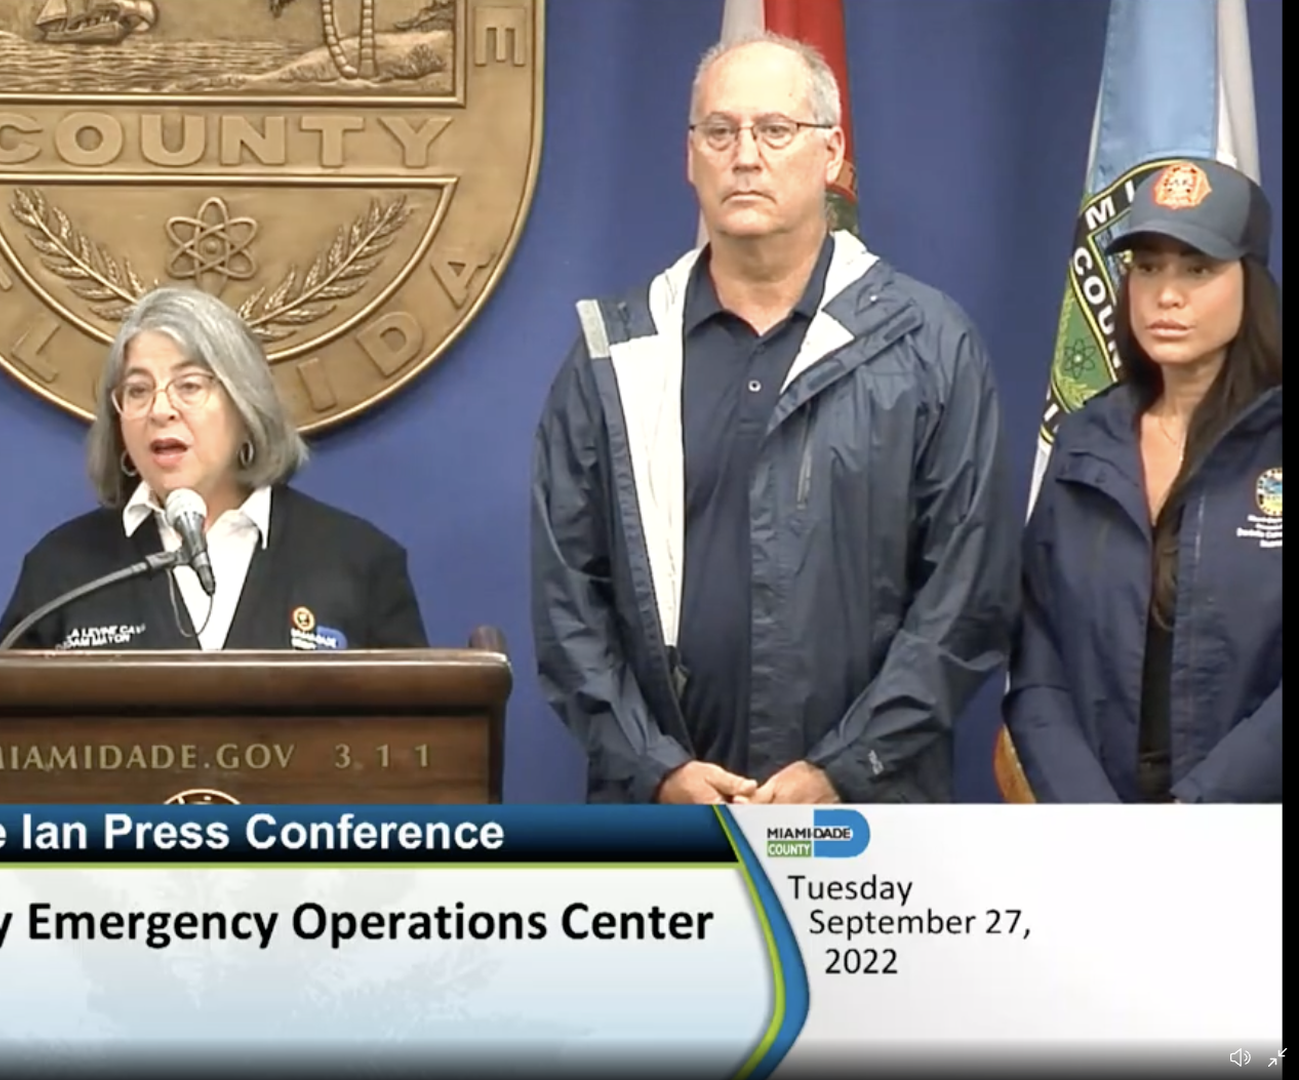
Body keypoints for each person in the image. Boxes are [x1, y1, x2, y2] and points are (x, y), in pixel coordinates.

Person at [529, 32, 1018, 806]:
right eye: (719, 132)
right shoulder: (616, 353)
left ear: (831, 154)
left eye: (775, 130)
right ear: (690, 157)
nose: (745, 156)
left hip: (865, 825)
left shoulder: (930, 345)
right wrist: (656, 770)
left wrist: (846, 768)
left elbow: (967, 597)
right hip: (666, 818)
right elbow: (569, 604)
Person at [1004, 158, 1282, 804]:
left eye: (1198, 268)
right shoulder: (1083, 443)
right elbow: (1037, 656)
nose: (1166, 295)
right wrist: (1097, 820)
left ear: (1252, 282)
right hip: (1095, 842)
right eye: (1148, 267)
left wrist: (1198, 811)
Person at [0, 285, 427, 652]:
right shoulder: (61, 569)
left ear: (246, 405)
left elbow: (419, 743)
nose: (160, 410)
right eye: (138, 390)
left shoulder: (360, 561)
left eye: (190, 385)